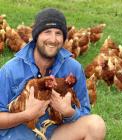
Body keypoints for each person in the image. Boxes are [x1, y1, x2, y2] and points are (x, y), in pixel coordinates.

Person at [0, 8, 106, 140]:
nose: (53, 39)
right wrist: (27, 115)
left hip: (54, 134)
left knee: (96, 125)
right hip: (18, 135)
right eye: (47, 32)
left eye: (58, 33)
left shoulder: (73, 68)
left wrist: (68, 112)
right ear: (36, 36)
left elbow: (84, 112)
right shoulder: (10, 70)